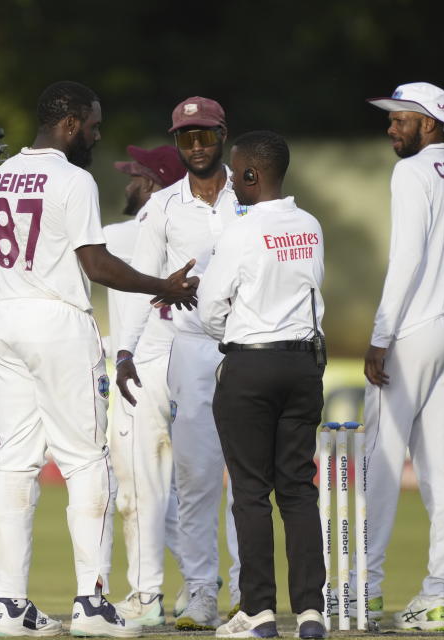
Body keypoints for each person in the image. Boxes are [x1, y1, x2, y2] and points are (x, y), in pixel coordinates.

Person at [0, 80, 200, 638]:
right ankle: (91, 605)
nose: (96, 134)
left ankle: (8, 606)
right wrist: (159, 285)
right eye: (93, 125)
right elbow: (96, 265)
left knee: (15, 463)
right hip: (57, 320)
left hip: (4, 319)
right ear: (69, 123)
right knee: (85, 462)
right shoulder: (72, 179)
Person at [116, 97, 241, 630]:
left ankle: (247, 590)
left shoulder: (251, 192)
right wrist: (124, 350)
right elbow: (142, 280)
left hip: (249, 346)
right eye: (185, 137)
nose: (195, 146)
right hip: (189, 351)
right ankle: (200, 592)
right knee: (195, 478)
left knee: (250, 482)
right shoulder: (163, 206)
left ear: (221, 135)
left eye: (204, 135)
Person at [199, 131, 328, 639]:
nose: (230, 179)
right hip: (303, 365)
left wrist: (234, 335)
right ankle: (312, 613)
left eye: (235, 173)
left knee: (251, 493)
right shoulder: (311, 226)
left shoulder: (242, 231)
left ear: (252, 175)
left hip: (251, 364)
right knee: (297, 489)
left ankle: (260, 615)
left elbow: (211, 307)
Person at [363, 82, 444, 631]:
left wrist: (381, 335)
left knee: (381, 460)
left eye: (401, 120)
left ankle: (367, 588)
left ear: (428, 123)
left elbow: (406, 257)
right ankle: (436, 595)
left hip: (413, 330)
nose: (392, 128)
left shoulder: (412, 173)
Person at [103, 145, 187, 626]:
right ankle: (199, 582)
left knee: (137, 491)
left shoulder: (118, 234)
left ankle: (145, 595)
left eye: (135, 176)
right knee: (173, 492)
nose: (128, 184)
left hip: (138, 370)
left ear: (153, 185)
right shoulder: (187, 231)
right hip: (180, 364)